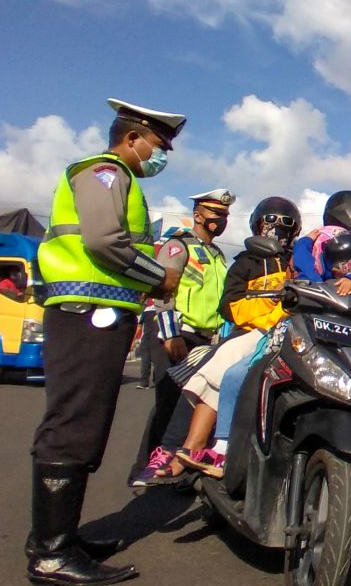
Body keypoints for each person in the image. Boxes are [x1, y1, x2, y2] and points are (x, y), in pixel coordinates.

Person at [27, 98, 184, 586]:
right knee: (75, 425)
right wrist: (160, 277)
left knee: (85, 423)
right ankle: (51, 554)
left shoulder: (119, 177)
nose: (161, 156)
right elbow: (102, 242)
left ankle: (59, 538)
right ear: (132, 137)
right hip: (85, 313)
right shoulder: (106, 172)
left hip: (97, 313)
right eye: (158, 145)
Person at [178, 229, 351, 479]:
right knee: (237, 374)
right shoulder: (314, 280)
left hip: (339, 357)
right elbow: (302, 259)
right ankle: (222, 447)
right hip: (300, 343)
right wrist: (309, 239)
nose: (345, 267)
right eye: (338, 260)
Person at [137, 196, 299, 484]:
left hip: (234, 335)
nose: (278, 229)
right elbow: (227, 304)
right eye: (270, 222)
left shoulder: (291, 262)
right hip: (195, 332)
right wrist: (169, 332)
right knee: (179, 392)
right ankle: (166, 453)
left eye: (287, 224)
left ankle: (190, 456)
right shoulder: (237, 259)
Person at [128, 188, 234, 485]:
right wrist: (169, 335)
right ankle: (145, 468)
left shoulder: (217, 255)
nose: (221, 220)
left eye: (225, 215)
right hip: (175, 331)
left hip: (203, 337)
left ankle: (179, 468)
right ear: (198, 215)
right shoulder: (178, 246)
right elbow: (164, 290)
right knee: (167, 402)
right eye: (216, 214)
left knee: (190, 403)